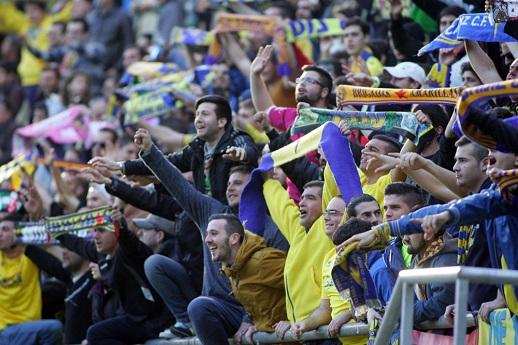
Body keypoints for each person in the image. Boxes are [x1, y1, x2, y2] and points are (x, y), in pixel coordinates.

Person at [134, 128, 286, 345]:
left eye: (238, 183)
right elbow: (179, 187)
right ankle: (185, 323)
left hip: (258, 312)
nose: (230, 187)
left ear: (256, 187)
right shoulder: (213, 212)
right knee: (197, 305)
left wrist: (251, 318)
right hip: (218, 308)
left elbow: (285, 281)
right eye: (229, 183)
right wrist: (150, 152)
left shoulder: (272, 227)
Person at [92, 95, 259, 204]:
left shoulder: (237, 138)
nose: (198, 119)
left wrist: (242, 155)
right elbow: (167, 163)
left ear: (222, 122)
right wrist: (121, 166)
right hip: (207, 219)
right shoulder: (197, 147)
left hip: (234, 217)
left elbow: (249, 148)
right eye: (197, 115)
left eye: (205, 114)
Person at [57, 207, 171, 345]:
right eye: (95, 230)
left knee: (95, 334)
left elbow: (130, 244)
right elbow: (79, 245)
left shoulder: (128, 253)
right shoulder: (103, 254)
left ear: (115, 233)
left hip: (151, 320)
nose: (95, 236)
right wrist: (57, 232)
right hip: (134, 319)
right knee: (94, 335)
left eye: (101, 230)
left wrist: (121, 227)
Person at [290, 198, 368, 345]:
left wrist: (348, 314)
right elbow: (325, 310)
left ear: (349, 217)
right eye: (326, 213)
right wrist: (304, 324)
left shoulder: (363, 251)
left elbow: (379, 300)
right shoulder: (329, 257)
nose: (325, 217)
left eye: (333, 213)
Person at [208, 213, 287, 344]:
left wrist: (295, 320)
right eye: (208, 234)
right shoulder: (232, 269)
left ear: (234, 238)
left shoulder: (262, 260)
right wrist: (255, 324)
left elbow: (305, 285)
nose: (207, 239)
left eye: (214, 233)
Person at [0, 213, 67, 345]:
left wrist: (36, 213)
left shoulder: (30, 255)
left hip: (30, 328)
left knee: (54, 328)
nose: (0, 234)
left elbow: (63, 270)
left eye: (5, 229)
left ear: (19, 232)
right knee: (53, 328)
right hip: (3, 329)